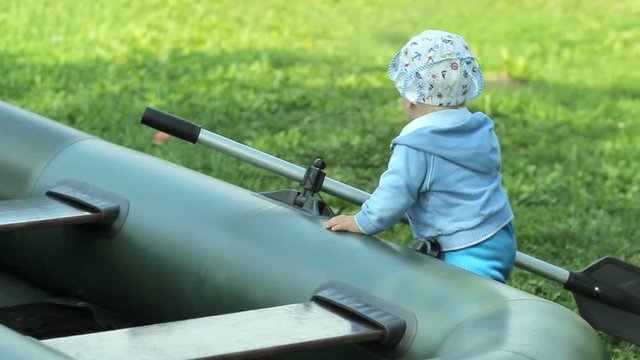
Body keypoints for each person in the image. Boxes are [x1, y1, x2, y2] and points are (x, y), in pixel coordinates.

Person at [325, 29, 517, 283]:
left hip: (462, 248)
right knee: (490, 297)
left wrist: (363, 222)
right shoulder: (479, 128)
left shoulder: (417, 145)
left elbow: (394, 194)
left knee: (466, 307)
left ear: (410, 98)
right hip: (500, 232)